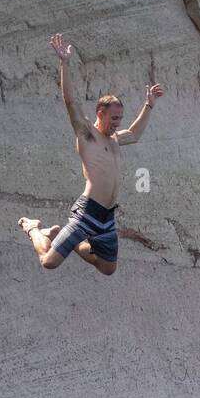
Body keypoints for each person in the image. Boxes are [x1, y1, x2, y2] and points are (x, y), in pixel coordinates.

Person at [18, 32, 164, 275]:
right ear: (100, 113)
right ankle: (34, 228)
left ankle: (71, 242)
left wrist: (148, 105)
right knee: (49, 262)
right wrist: (64, 63)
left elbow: (135, 134)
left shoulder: (115, 139)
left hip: (107, 216)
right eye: (114, 117)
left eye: (120, 118)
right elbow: (70, 101)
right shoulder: (87, 134)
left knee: (107, 267)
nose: (118, 123)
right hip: (87, 212)